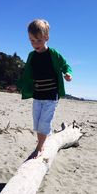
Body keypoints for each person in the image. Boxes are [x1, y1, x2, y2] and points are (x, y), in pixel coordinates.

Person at [7, 19, 72, 158]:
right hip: (38, 95)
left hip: (51, 96)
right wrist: (16, 86)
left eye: (38, 40)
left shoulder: (53, 54)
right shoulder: (32, 56)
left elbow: (66, 65)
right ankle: (43, 140)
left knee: (44, 122)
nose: (35, 44)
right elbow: (27, 75)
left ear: (46, 37)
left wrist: (68, 74)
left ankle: (39, 147)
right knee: (37, 123)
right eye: (31, 40)